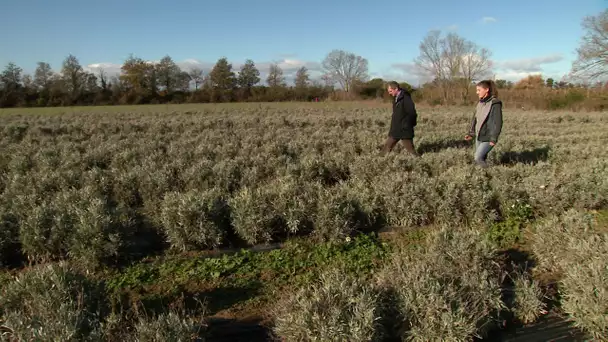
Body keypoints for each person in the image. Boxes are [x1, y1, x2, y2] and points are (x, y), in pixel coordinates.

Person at [465, 80, 503, 168]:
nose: (477, 92)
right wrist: (471, 133)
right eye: (476, 90)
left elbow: (498, 122)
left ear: (486, 89)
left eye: (479, 90)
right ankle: (484, 176)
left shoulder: (495, 103)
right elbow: (475, 119)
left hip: (488, 137)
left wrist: (494, 138)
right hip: (479, 135)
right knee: (482, 158)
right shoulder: (480, 103)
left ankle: (491, 173)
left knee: (477, 158)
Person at [381, 81, 418, 155]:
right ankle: (378, 161)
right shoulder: (396, 98)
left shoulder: (406, 98)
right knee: (387, 147)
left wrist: (407, 125)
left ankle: (420, 162)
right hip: (396, 128)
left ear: (396, 89)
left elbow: (412, 113)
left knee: (411, 151)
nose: (389, 93)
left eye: (390, 91)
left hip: (404, 129)